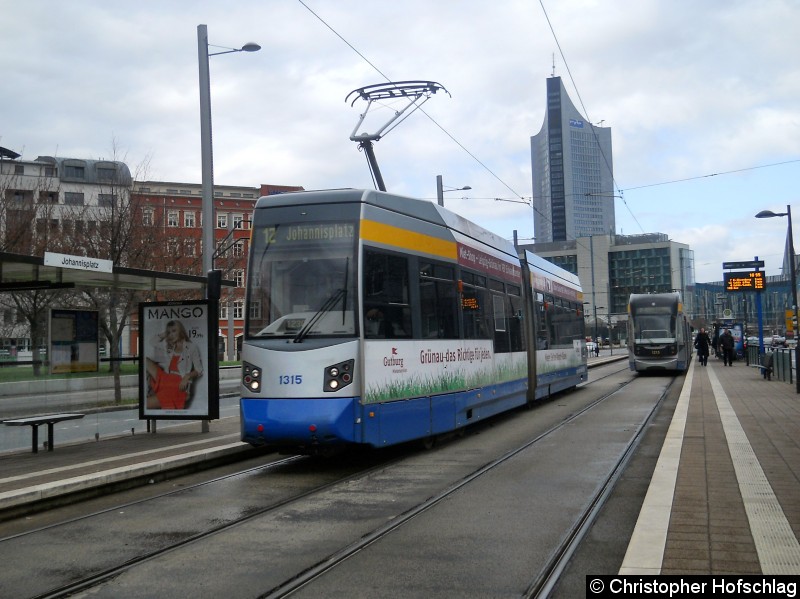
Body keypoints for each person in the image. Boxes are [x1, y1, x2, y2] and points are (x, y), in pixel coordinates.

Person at [146, 319, 203, 409]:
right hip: (166, 378)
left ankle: (163, 392)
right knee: (146, 361)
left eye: (174, 331)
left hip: (178, 384)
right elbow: (152, 341)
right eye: (169, 332)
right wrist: (166, 333)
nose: (171, 334)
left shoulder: (191, 347)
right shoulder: (169, 345)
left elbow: (199, 370)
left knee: (147, 403)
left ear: (180, 330)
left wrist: (187, 376)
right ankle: (159, 388)